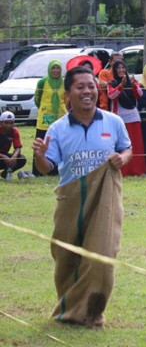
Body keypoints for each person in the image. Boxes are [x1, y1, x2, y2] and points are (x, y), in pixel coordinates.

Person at [31, 66, 132, 328]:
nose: (87, 91)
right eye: (80, 87)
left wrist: (122, 158)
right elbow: (48, 168)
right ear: (68, 95)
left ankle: (91, 313)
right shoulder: (57, 128)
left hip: (106, 198)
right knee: (66, 257)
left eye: (91, 86)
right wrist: (40, 157)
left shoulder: (113, 122)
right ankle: (69, 309)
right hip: (70, 198)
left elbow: (127, 149)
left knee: (102, 256)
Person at [108, 60, 146, 176]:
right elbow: (112, 95)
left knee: (136, 144)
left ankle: (138, 169)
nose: (121, 70)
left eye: (123, 68)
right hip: (118, 117)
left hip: (133, 116)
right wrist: (120, 86)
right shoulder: (112, 83)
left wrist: (134, 84)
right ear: (115, 71)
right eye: (118, 68)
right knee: (122, 144)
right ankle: (123, 170)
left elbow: (140, 95)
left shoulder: (131, 82)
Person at [33, 59, 67, 176]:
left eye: (58, 68)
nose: (56, 71)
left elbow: (66, 99)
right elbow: (37, 98)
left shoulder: (64, 82)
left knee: (58, 141)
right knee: (41, 140)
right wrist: (45, 108)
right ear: (49, 69)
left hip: (60, 115)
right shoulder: (43, 82)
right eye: (53, 68)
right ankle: (38, 170)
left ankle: (55, 170)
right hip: (45, 115)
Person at [0, 111, 27, 179]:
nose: (9, 125)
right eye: (6, 123)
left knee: (21, 158)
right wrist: (4, 157)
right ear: (1, 123)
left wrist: (13, 157)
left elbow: (18, 148)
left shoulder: (14, 131)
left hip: (4, 155)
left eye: (11, 123)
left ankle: (6, 174)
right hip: (2, 155)